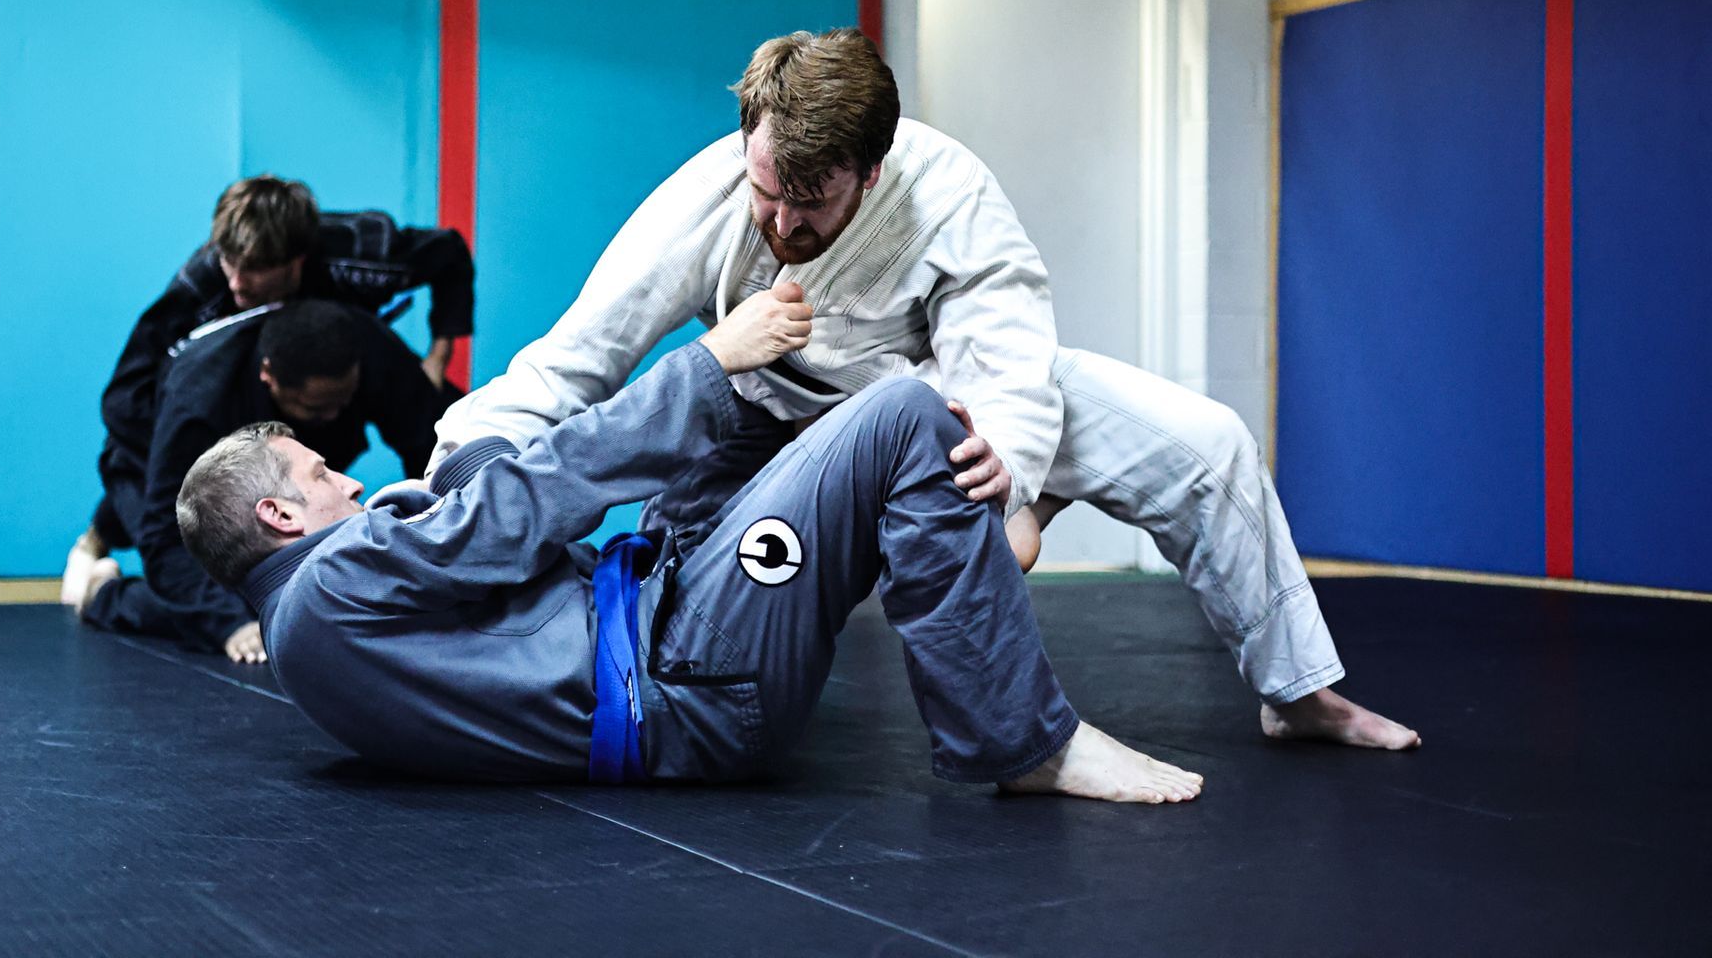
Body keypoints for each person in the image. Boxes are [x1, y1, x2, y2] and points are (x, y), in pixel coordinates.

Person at [431, 29, 1419, 751]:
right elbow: (575, 358)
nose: (779, 220)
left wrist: (1012, 469)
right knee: (693, 599)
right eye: (767, 187)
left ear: (870, 171)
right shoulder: (710, 199)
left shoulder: (951, 196)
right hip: (775, 424)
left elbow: (1011, 353)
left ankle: (1299, 692)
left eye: (808, 203)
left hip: (949, 395)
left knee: (1207, 442)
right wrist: (460, 476)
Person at [177, 285, 1207, 802]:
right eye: (320, 475)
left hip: (669, 641)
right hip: (697, 676)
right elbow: (530, 502)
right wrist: (703, 356)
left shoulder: (310, 639)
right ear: (277, 515)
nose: (344, 477)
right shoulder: (336, 581)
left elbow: (480, 548)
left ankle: (941, 518)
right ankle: (1023, 738)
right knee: (901, 413)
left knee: (756, 410)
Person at [84, 175, 474, 572]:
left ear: (297, 260)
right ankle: (99, 535)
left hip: (323, 392)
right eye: (228, 261)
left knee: (439, 415)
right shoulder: (201, 285)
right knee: (158, 484)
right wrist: (181, 464)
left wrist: (438, 359)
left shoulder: (358, 250)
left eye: (253, 269)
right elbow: (124, 398)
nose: (236, 281)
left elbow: (449, 254)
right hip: (228, 413)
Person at [66, 299, 453, 662]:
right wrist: (229, 624)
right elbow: (165, 536)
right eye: (318, 407)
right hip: (142, 457)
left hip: (281, 448)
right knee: (248, 603)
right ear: (270, 378)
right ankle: (104, 592)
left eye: (344, 401)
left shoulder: (373, 354)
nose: (335, 415)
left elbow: (431, 446)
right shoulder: (198, 402)